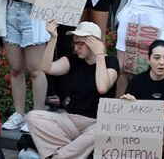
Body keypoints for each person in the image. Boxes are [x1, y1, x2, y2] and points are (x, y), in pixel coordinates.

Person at [28, 21, 119, 159]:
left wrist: (100, 55)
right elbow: (47, 68)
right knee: (33, 117)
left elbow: (102, 87)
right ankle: (72, 152)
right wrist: (53, 39)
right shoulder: (74, 60)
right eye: (75, 43)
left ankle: (59, 156)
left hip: (95, 122)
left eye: (81, 43)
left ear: (94, 43)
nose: (76, 48)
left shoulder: (111, 61)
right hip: (69, 119)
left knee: (101, 131)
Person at [0, 0, 53, 132]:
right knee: (16, 68)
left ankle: (37, 116)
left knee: (35, 69)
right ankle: (19, 113)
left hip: (33, 16)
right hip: (12, 13)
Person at [120, 40, 164, 155]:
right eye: (157, 58)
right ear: (149, 59)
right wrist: (128, 104)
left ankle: (144, 154)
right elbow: (124, 120)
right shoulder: (138, 80)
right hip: (141, 132)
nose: (161, 62)